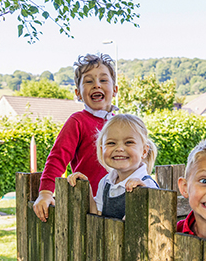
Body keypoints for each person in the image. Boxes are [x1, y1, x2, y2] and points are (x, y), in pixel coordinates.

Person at [33, 53, 118, 222]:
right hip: (88, 205)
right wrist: (45, 193)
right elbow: (57, 158)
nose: (96, 85)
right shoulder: (77, 121)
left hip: (118, 202)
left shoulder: (121, 124)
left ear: (115, 90)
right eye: (88, 81)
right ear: (78, 93)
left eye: (103, 80)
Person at [67, 114, 158, 219]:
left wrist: (143, 193)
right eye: (111, 143)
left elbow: (155, 222)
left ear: (144, 151)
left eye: (129, 142)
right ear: (102, 150)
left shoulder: (147, 184)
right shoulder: (105, 182)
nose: (119, 148)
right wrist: (85, 188)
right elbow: (97, 216)